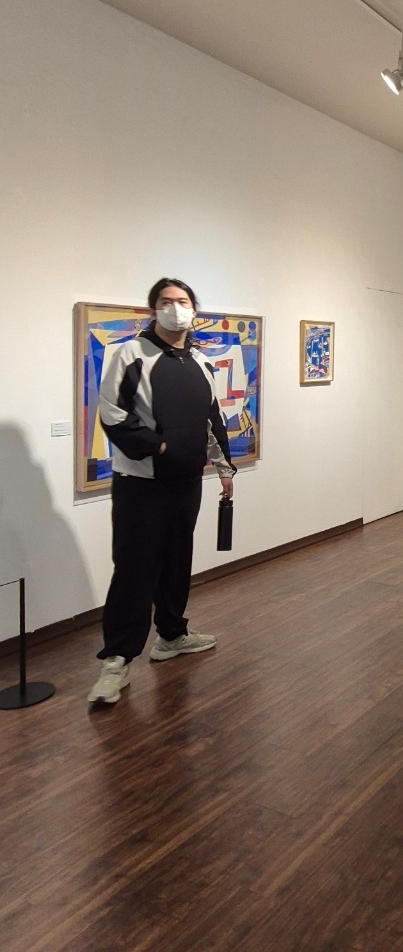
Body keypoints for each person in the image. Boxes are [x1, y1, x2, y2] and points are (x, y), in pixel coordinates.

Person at [87, 278, 236, 705]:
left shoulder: (202, 363)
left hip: (186, 483)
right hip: (141, 483)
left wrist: (225, 469)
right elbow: (112, 414)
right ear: (153, 309)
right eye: (166, 301)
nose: (175, 308)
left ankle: (172, 635)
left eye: (182, 301)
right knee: (134, 568)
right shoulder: (130, 354)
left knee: (176, 560)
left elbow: (212, 421)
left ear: (194, 309)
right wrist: (158, 447)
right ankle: (116, 660)